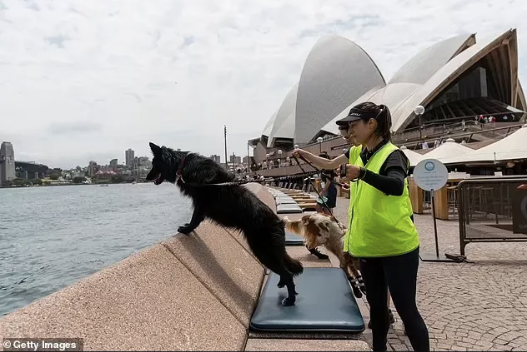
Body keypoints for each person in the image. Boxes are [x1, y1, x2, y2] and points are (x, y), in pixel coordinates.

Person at [294, 102, 429, 352]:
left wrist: (363, 174)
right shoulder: (358, 152)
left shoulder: (393, 154)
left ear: (372, 124)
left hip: (397, 248)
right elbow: (328, 165)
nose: (350, 130)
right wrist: (304, 154)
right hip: (368, 248)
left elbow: (396, 185)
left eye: (354, 124)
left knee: (407, 311)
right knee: (377, 313)